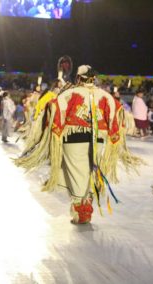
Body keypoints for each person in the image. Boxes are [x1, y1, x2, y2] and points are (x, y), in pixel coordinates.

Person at [16, 65, 120, 224]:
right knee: (90, 173)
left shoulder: (70, 94)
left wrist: (51, 137)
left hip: (74, 140)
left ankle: (80, 212)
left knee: (77, 175)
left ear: (78, 78)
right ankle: (85, 207)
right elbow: (116, 117)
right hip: (98, 141)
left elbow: (55, 112)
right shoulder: (106, 97)